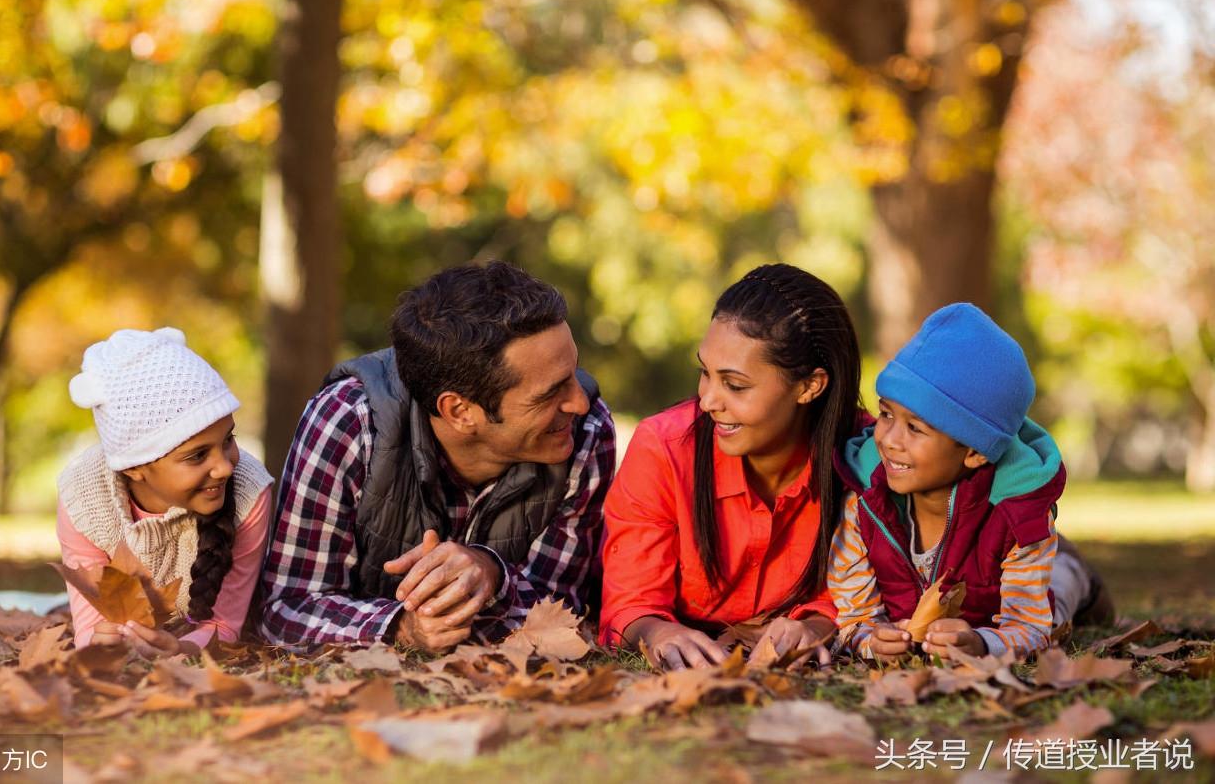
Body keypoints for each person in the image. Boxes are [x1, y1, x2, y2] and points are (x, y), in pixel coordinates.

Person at [260, 261, 616, 653]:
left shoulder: (587, 432)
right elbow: (287, 608)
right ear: (460, 412)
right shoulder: (347, 422)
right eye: (550, 394)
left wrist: (492, 573)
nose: (580, 402)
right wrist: (400, 626)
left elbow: (562, 612)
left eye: (574, 374)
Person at [599, 264, 862, 669]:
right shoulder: (665, 449)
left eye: (735, 385)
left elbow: (867, 592)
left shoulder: (866, 458)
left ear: (810, 386)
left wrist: (813, 627)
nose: (707, 400)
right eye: (705, 373)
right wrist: (658, 632)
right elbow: (631, 600)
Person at [829, 303, 1113, 663]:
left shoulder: (1017, 517)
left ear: (975, 452)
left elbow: (1030, 626)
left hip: (1016, 590)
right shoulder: (864, 498)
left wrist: (982, 643)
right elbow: (855, 618)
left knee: (1058, 600)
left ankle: (1077, 572)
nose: (888, 440)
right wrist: (872, 639)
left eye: (915, 427)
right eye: (886, 414)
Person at [57, 328, 274, 657]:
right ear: (134, 468)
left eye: (228, 439)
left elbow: (226, 625)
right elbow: (89, 628)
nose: (226, 468)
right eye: (198, 455)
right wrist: (102, 643)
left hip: (193, 628)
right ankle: (50, 603)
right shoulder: (84, 497)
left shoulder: (248, 492)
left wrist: (181, 648)